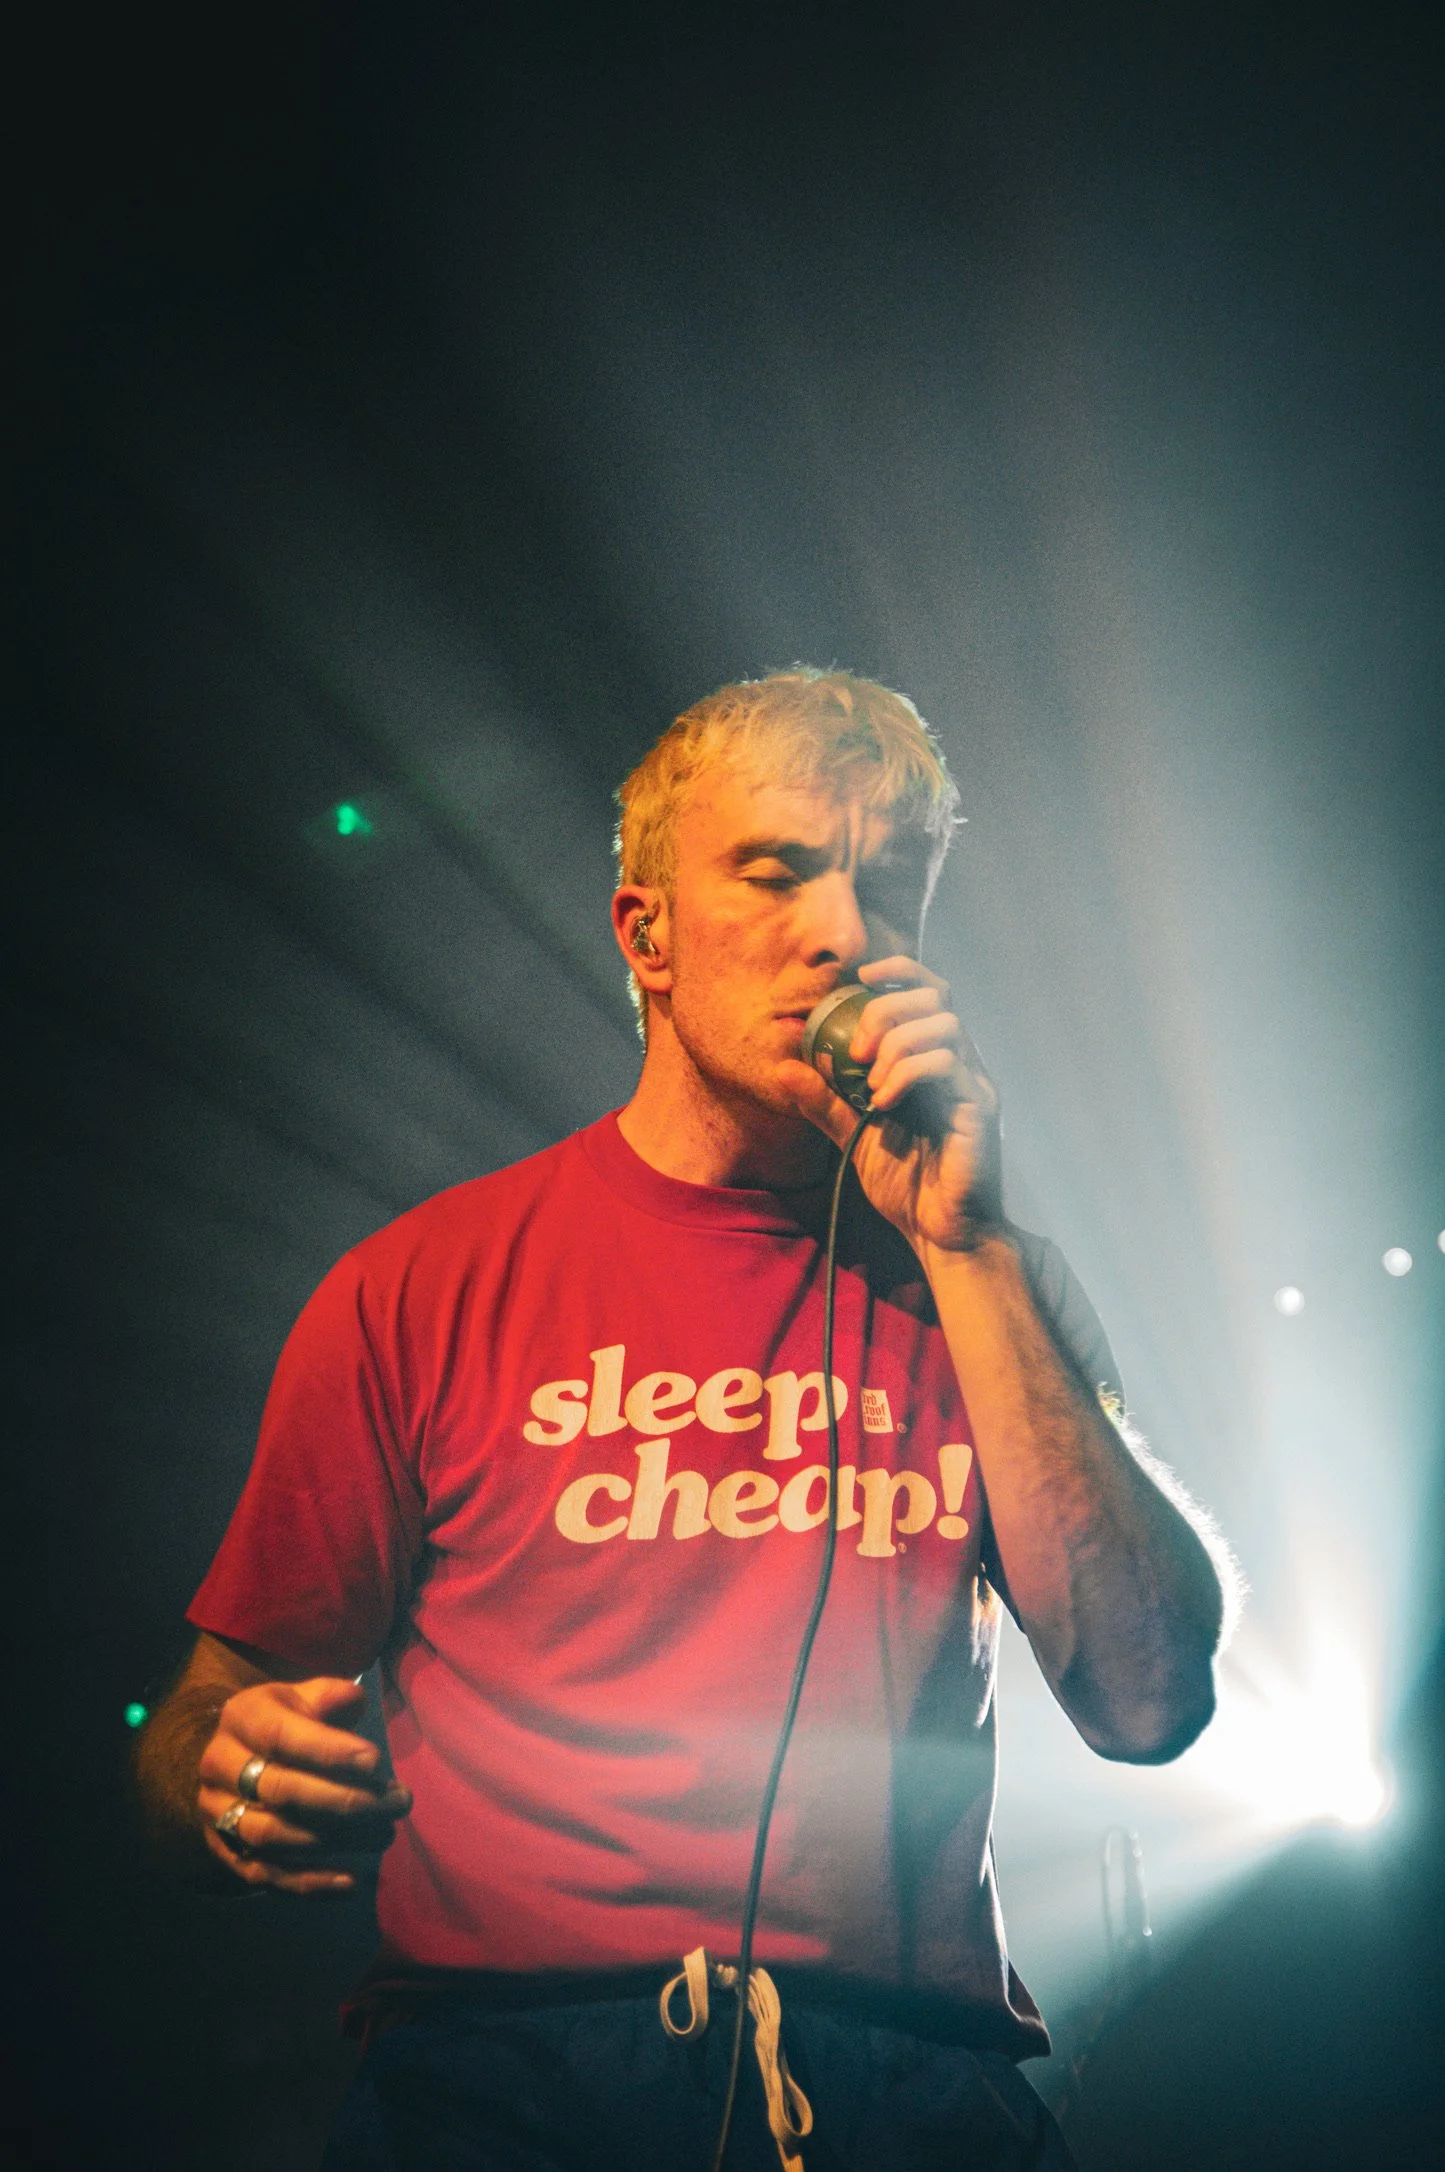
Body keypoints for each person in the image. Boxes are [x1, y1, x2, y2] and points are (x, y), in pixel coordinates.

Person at [136, 669, 1228, 2171]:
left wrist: (968, 1252)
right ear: (646, 936)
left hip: (909, 2092)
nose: (842, 932)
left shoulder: (993, 1287)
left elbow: (1151, 1699)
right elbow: (202, 1715)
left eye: (888, 888)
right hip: (503, 2084)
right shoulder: (421, 1287)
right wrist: (234, 1777)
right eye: (776, 872)